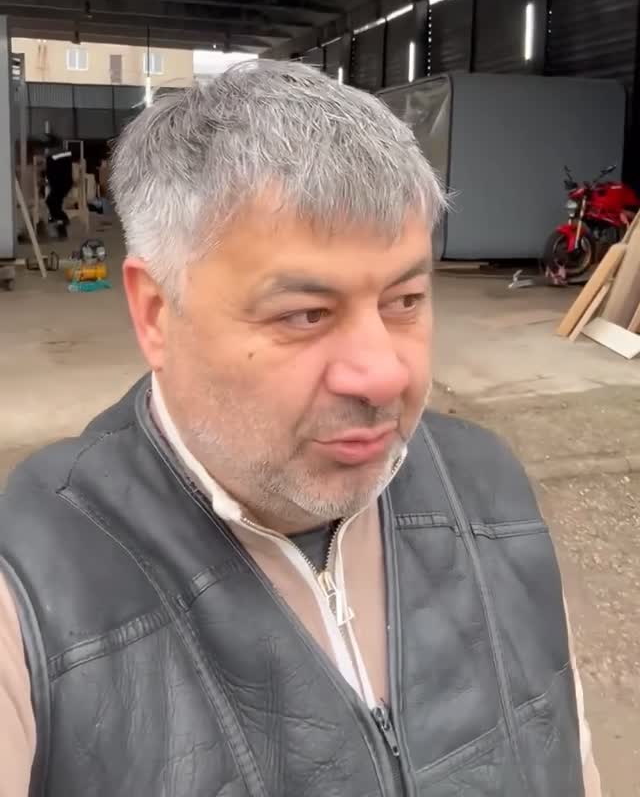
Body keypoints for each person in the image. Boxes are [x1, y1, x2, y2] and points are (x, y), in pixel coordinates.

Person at [0, 61, 600, 796]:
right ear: (156, 314)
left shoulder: (493, 494)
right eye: (305, 314)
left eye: (405, 300)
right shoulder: (30, 592)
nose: (382, 375)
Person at [43, 135, 73, 238]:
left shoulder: (51, 156)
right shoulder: (65, 153)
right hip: (65, 182)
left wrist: (43, 177)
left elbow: (49, 171)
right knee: (56, 204)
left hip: (58, 184)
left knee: (51, 202)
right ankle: (61, 229)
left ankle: (63, 220)